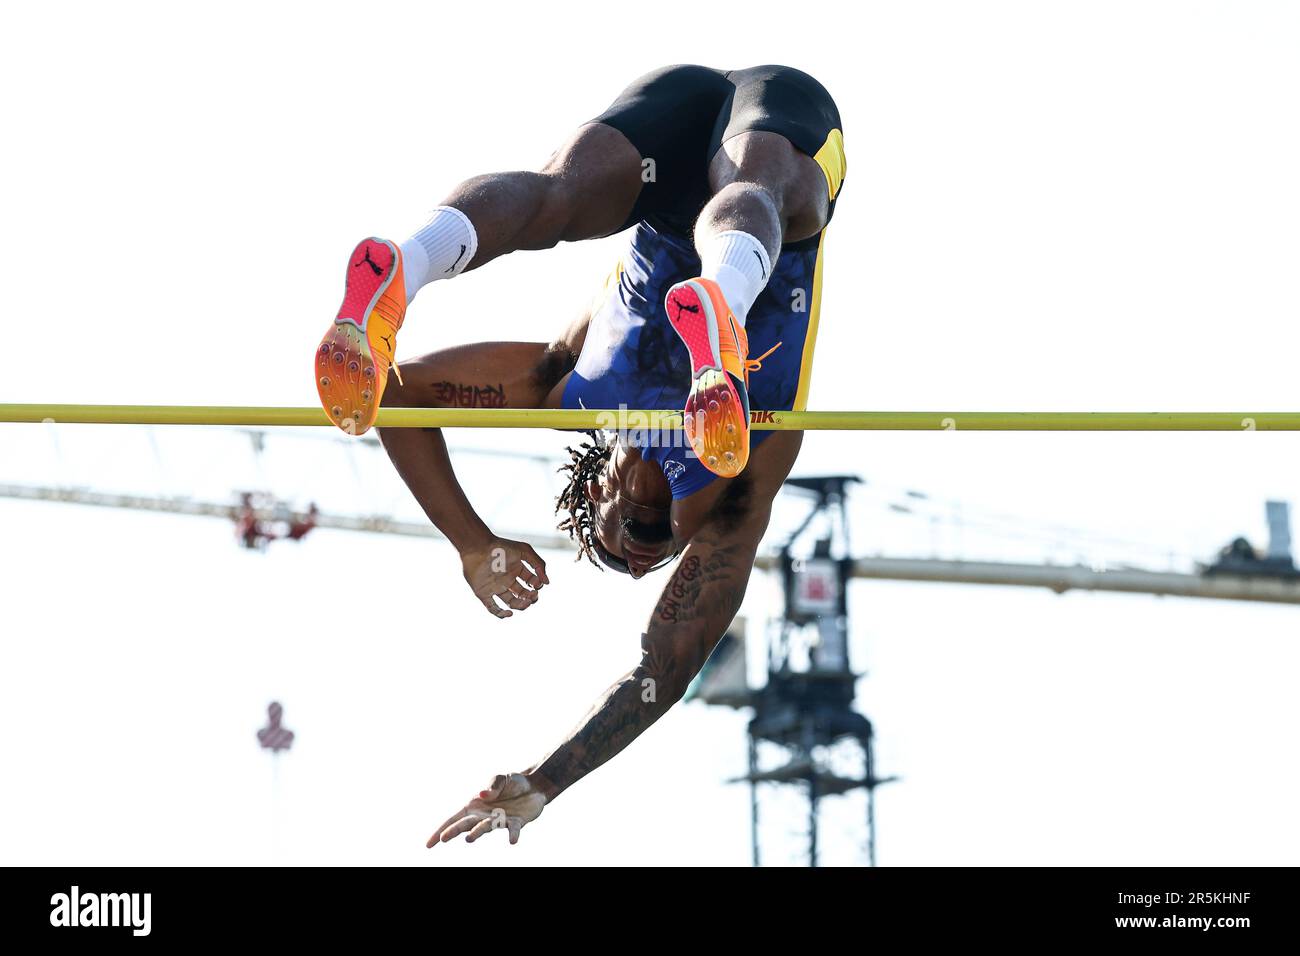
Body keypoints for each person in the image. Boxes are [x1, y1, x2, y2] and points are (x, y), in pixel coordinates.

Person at [313, 65, 845, 847]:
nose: (637, 552)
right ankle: (715, 307)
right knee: (765, 196)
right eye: (651, 557)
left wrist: (474, 542)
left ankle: (412, 262)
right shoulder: (737, 492)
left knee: (565, 193)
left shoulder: (570, 385)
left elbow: (399, 394)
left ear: (593, 484)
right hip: (772, 154)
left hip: (666, 191)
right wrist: (546, 782)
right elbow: (662, 671)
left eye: (608, 540)